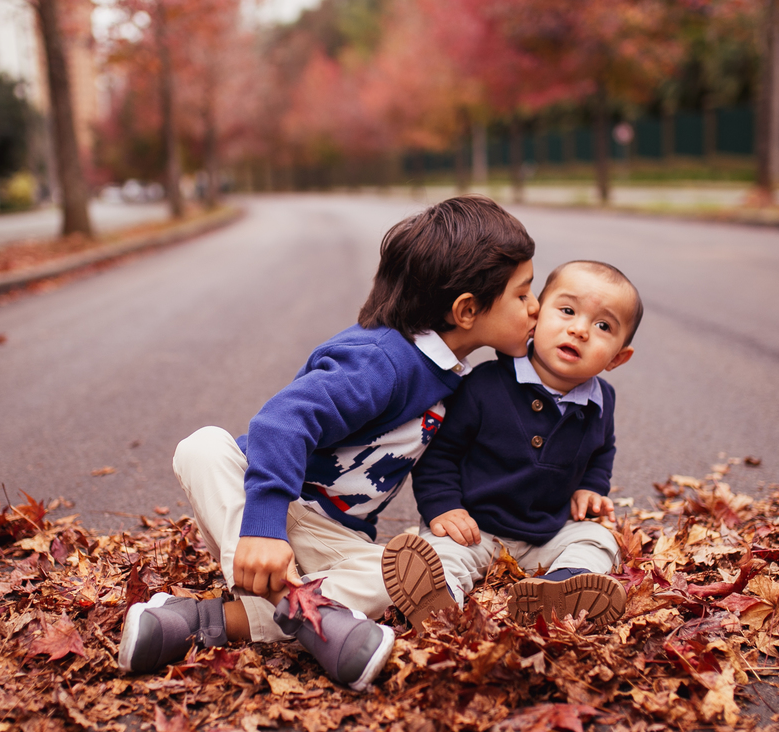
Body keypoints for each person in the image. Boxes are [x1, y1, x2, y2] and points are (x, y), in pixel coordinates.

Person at [117, 196, 540, 690]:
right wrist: (265, 528)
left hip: (336, 542)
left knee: (418, 572)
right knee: (203, 448)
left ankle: (200, 620)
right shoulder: (381, 361)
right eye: (523, 295)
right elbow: (282, 422)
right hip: (263, 515)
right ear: (466, 310)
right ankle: (315, 616)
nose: (536, 308)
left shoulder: (453, 375)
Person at [381, 260, 643, 629]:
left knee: (599, 539)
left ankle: (561, 588)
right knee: (443, 553)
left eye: (603, 326)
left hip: (549, 532)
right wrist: (443, 508)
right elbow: (439, 454)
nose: (580, 329)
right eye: (567, 311)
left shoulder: (601, 401)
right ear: (536, 317)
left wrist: (591, 487)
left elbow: (603, 449)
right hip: (475, 527)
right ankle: (440, 600)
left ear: (618, 357)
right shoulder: (483, 385)